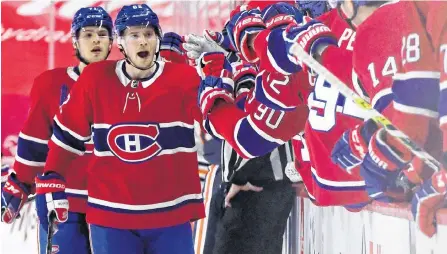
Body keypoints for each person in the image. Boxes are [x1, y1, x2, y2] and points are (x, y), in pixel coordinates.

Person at [33, 4, 206, 254]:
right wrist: (52, 178)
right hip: (111, 217)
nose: (143, 41)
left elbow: (219, 124)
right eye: (134, 35)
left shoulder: (183, 78)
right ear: (121, 42)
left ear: (158, 38)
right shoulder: (95, 79)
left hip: (170, 216)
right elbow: (66, 137)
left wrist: (217, 72)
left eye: (149, 34)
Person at [1, 7, 113, 254]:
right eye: (88, 34)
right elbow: (35, 140)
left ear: (112, 41)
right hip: (62, 201)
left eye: (103, 34)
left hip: (115, 204)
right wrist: (20, 181)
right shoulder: (51, 84)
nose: (96, 39)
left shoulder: (128, 85)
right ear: (75, 41)